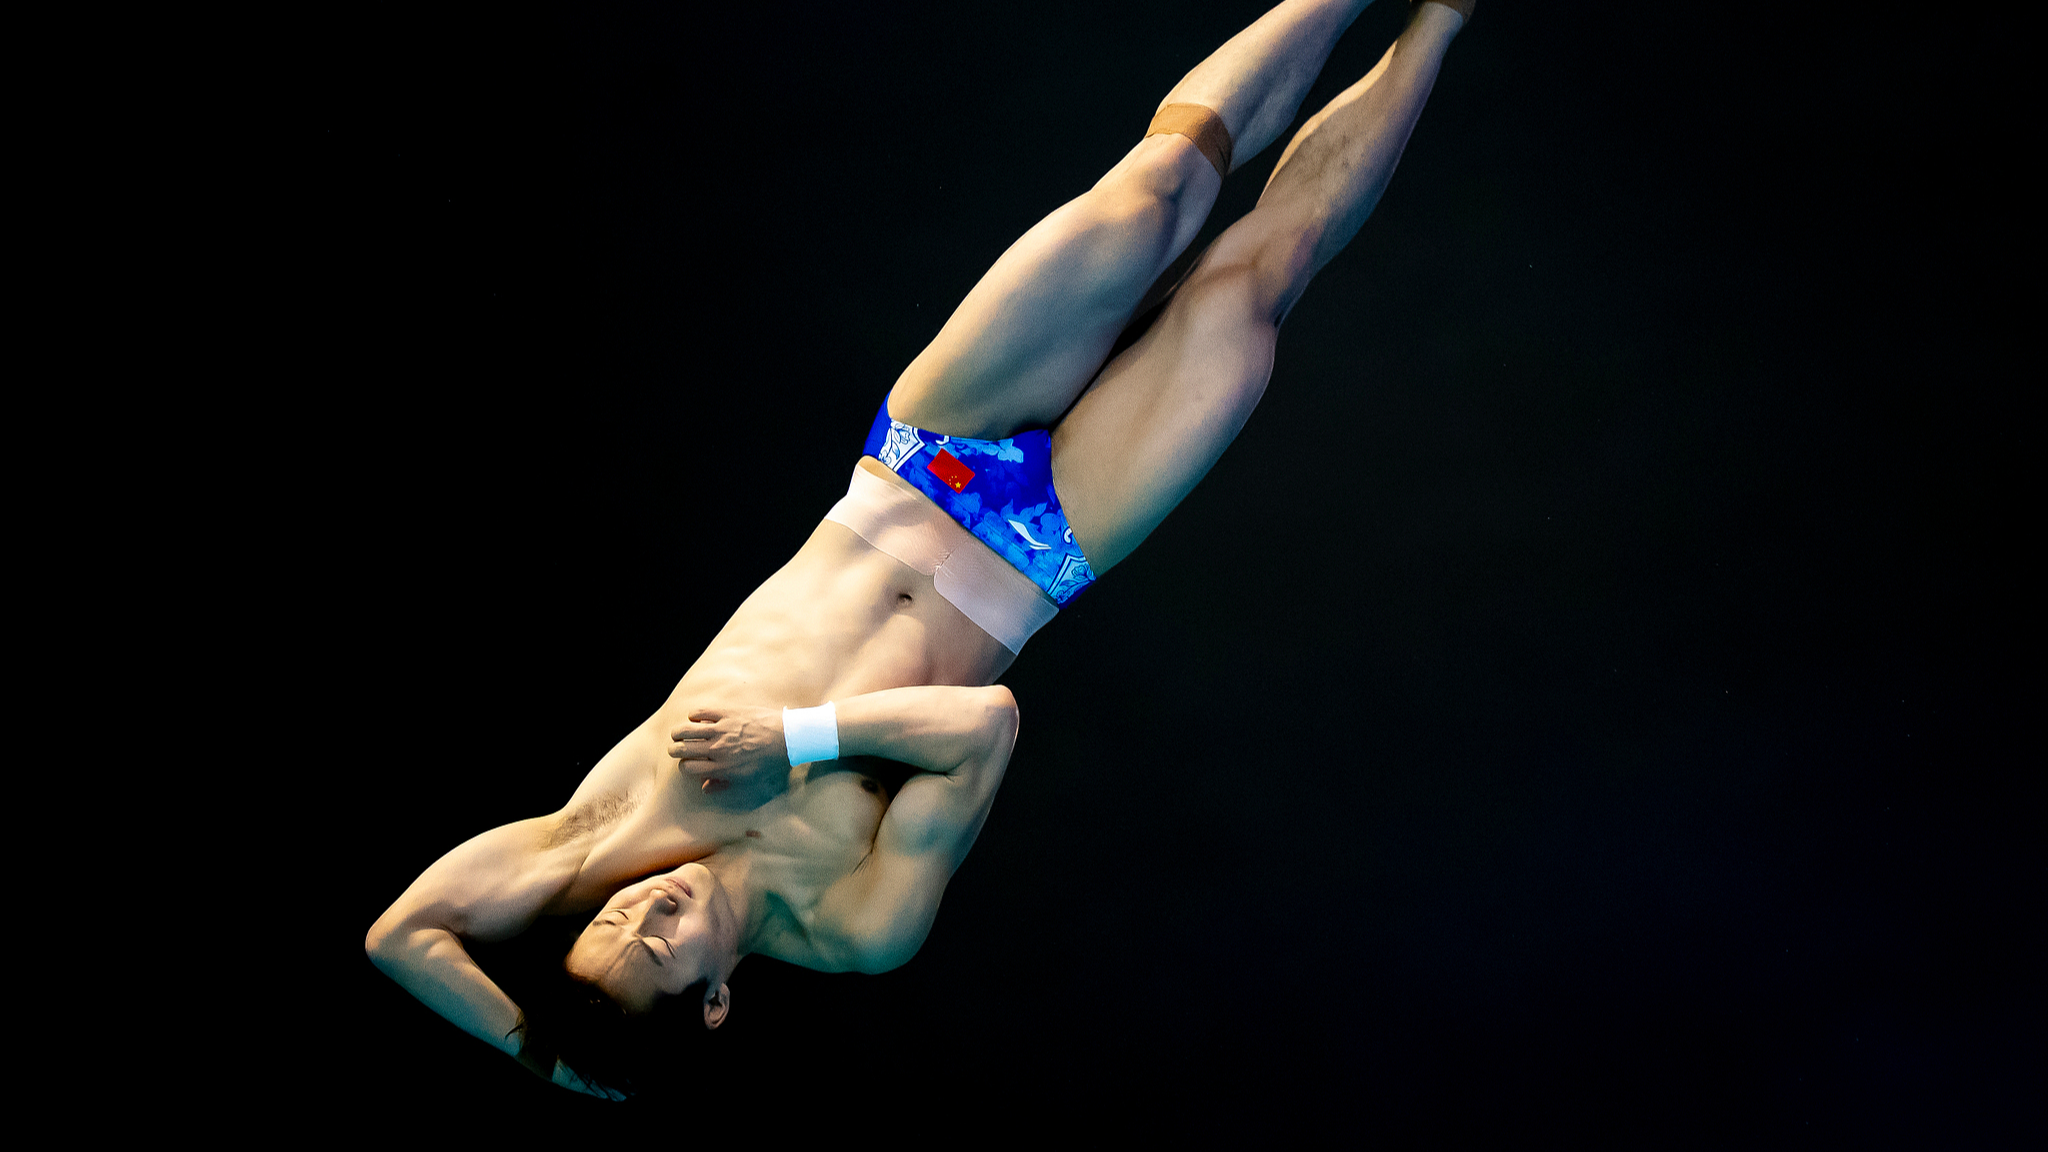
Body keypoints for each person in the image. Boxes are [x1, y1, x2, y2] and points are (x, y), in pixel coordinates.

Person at [366, 0, 1473, 1097]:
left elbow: (402, 934)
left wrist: (549, 1058)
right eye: (658, 943)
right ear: (715, 1001)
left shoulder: (602, 838)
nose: (648, 906)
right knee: (1254, 286)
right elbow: (982, 728)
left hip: (922, 461)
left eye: (615, 920)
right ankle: (1440, 19)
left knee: (1155, 190)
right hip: (1039, 553)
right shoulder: (851, 923)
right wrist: (789, 741)